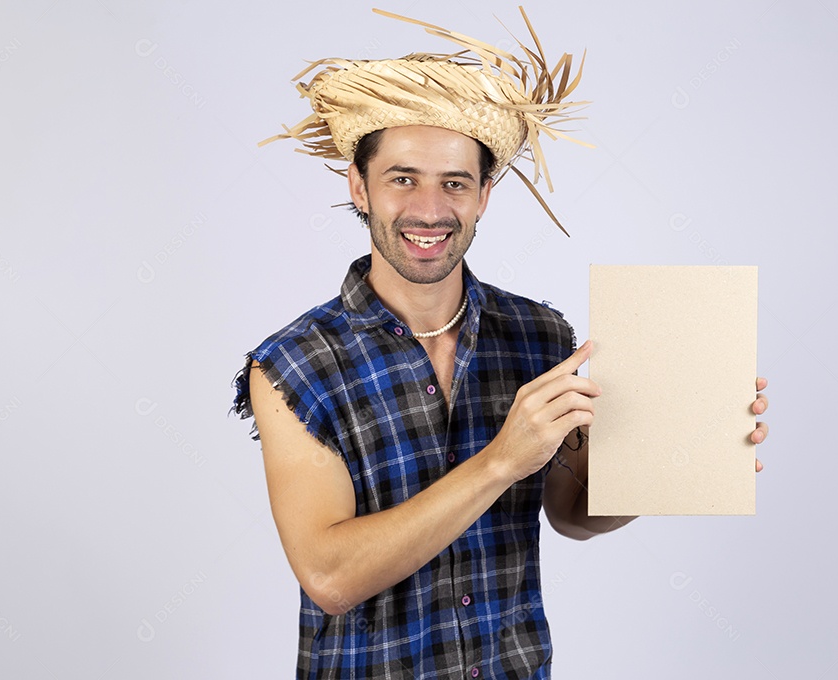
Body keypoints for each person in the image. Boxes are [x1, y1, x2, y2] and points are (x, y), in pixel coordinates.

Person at [231, 10, 770, 678]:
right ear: (358, 186)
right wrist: (500, 461)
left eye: (455, 183)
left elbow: (573, 515)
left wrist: (669, 453)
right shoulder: (294, 366)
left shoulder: (538, 336)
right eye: (403, 178)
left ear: (484, 194)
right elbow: (331, 576)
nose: (430, 209)